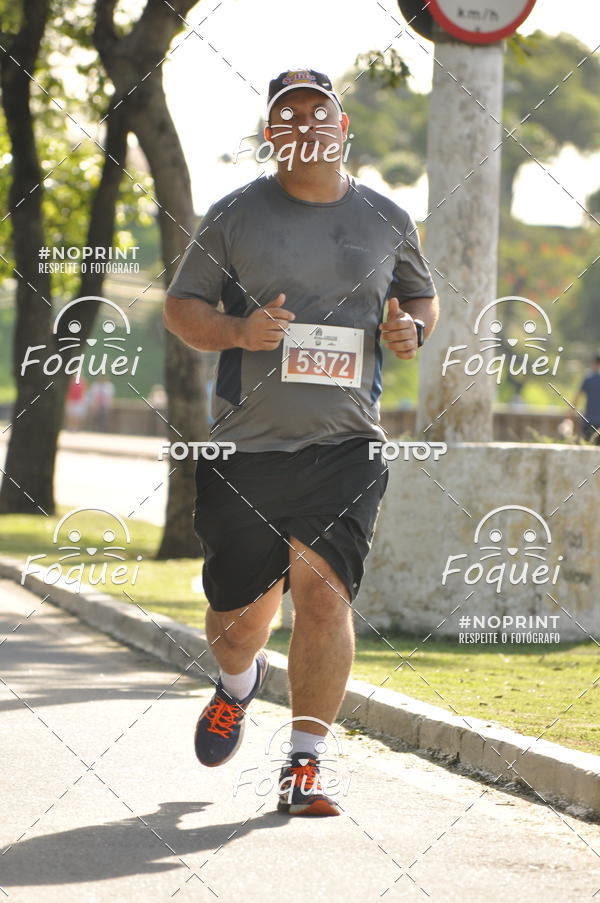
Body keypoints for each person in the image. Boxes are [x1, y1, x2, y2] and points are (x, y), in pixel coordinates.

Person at [164, 69, 439, 816]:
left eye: (320, 112)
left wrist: (411, 328)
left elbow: (419, 297)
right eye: (289, 114)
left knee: (323, 597)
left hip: (346, 443)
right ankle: (235, 683)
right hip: (247, 449)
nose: (306, 123)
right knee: (237, 624)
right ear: (272, 135)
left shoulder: (387, 217)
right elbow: (181, 308)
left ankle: (305, 762)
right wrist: (239, 332)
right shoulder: (232, 217)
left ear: (343, 128)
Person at [574, 353, 600, 445]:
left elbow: (577, 397)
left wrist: (570, 412)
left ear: (594, 363)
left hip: (589, 421)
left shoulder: (588, 379)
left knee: (588, 447)